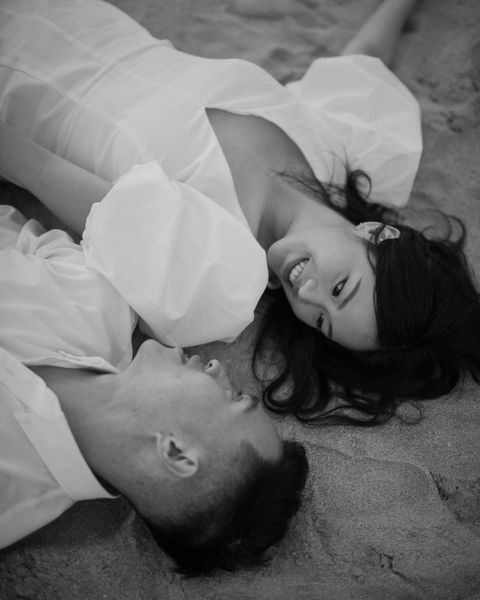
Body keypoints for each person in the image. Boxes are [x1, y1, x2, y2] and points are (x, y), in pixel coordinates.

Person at [1, 0, 479, 426]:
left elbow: (39, 170)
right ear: (377, 233)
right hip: (84, 19)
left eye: (321, 321)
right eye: (340, 288)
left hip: (16, 86)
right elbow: (363, 57)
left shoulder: (221, 278)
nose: (309, 296)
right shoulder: (341, 150)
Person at [0, 204, 308, 575]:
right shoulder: (98, 296)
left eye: (233, 397)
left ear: (175, 451)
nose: (217, 368)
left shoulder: (8, 497)